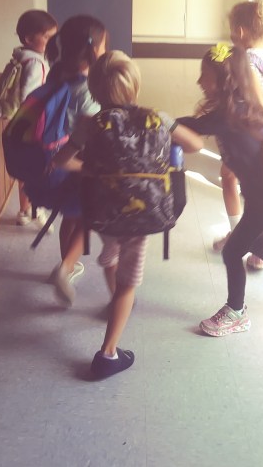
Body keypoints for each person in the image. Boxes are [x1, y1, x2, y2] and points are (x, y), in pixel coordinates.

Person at [54, 51, 202, 378]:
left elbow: (61, 161)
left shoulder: (90, 124)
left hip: (103, 210)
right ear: (135, 84)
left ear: (94, 91)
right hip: (144, 213)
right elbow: (194, 145)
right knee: (129, 284)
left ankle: (114, 291)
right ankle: (108, 354)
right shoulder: (157, 118)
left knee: (111, 248)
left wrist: (91, 169)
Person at [178, 43, 263, 337]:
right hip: (262, 197)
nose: (199, 81)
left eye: (205, 75)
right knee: (258, 244)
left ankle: (236, 312)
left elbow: (194, 126)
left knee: (232, 252)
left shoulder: (230, 116)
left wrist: (161, 122)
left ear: (224, 80)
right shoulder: (238, 109)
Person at [213, 0, 263, 269]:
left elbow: (248, 104)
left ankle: (240, 235)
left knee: (230, 179)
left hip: (252, 140)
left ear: (240, 31)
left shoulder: (246, 63)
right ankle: (258, 246)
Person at [43, 15, 108, 300]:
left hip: (52, 156)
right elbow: (91, 128)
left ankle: (66, 264)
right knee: (88, 216)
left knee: (70, 214)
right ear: (94, 49)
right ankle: (66, 266)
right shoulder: (87, 88)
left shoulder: (56, 73)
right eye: (104, 45)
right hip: (78, 160)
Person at [13, 9, 58, 225]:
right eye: (47, 37)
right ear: (29, 39)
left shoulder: (21, 57)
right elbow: (30, 97)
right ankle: (34, 209)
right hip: (32, 125)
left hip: (19, 123)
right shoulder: (36, 64)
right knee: (35, 168)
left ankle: (24, 210)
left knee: (24, 169)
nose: (52, 42)